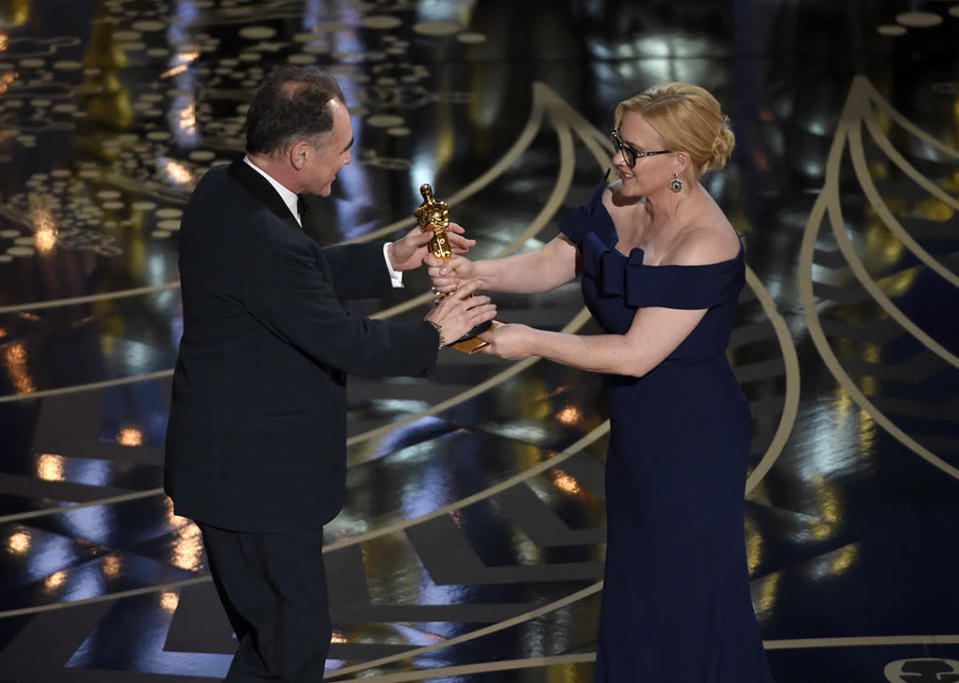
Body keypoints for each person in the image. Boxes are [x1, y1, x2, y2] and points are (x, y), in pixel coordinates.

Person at [427, 82, 774, 681]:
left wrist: (530, 340)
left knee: (687, 595)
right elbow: (552, 263)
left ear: (680, 163)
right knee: (639, 589)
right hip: (639, 430)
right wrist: (473, 270)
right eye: (619, 143)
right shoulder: (620, 196)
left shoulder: (705, 244)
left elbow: (637, 354)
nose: (618, 159)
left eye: (633, 151)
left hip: (692, 441)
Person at [163, 66, 496, 682]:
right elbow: (344, 340)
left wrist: (393, 258)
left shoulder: (225, 189)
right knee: (292, 643)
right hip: (258, 482)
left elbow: (293, 281)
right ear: (299, 152)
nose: (347, 162)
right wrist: (435, 332)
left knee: (271, 641)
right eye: (342, 151)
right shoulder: (270, 242)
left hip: (226, 465)